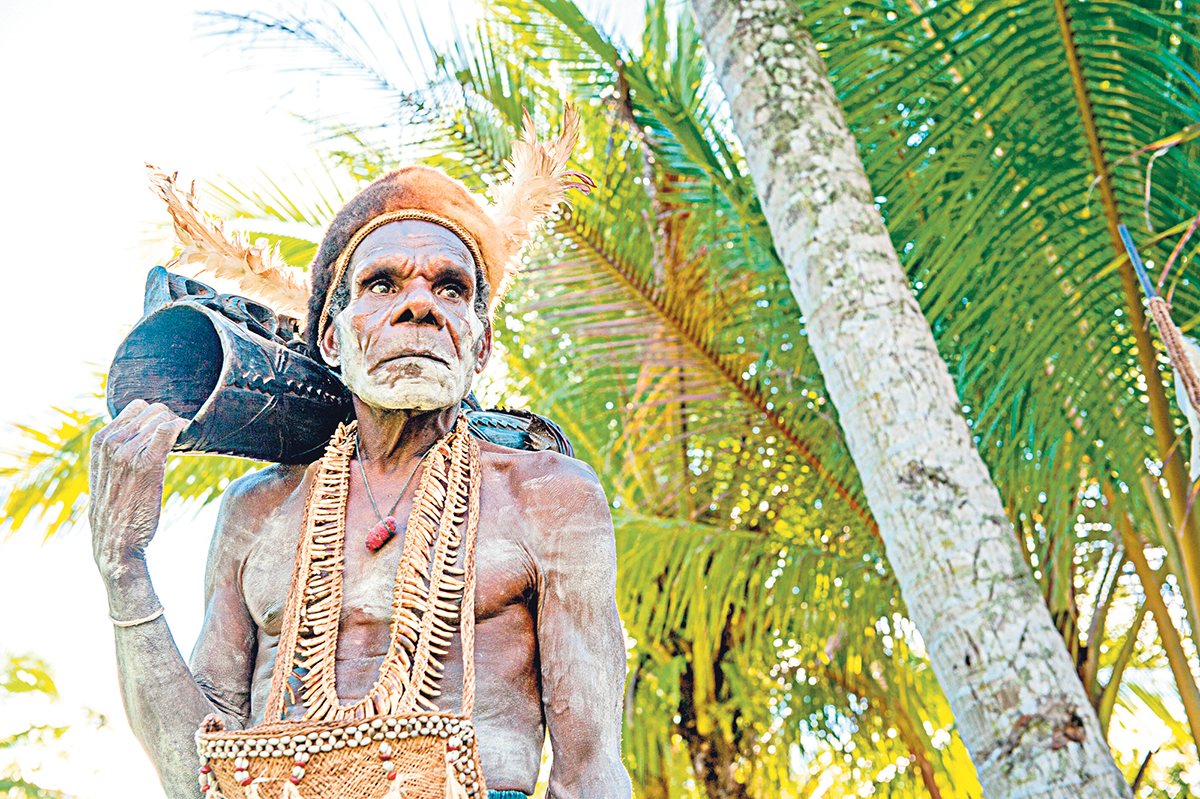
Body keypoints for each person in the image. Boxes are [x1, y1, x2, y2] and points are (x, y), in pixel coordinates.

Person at [88, 109, 632, 799]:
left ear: (480, 344)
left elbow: (591, 772)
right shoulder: (258, 512)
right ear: (333, 340)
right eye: (382, 284)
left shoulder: (548, 494)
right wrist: (123, 564)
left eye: (450, 288)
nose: (420, 306)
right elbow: (196, 774)